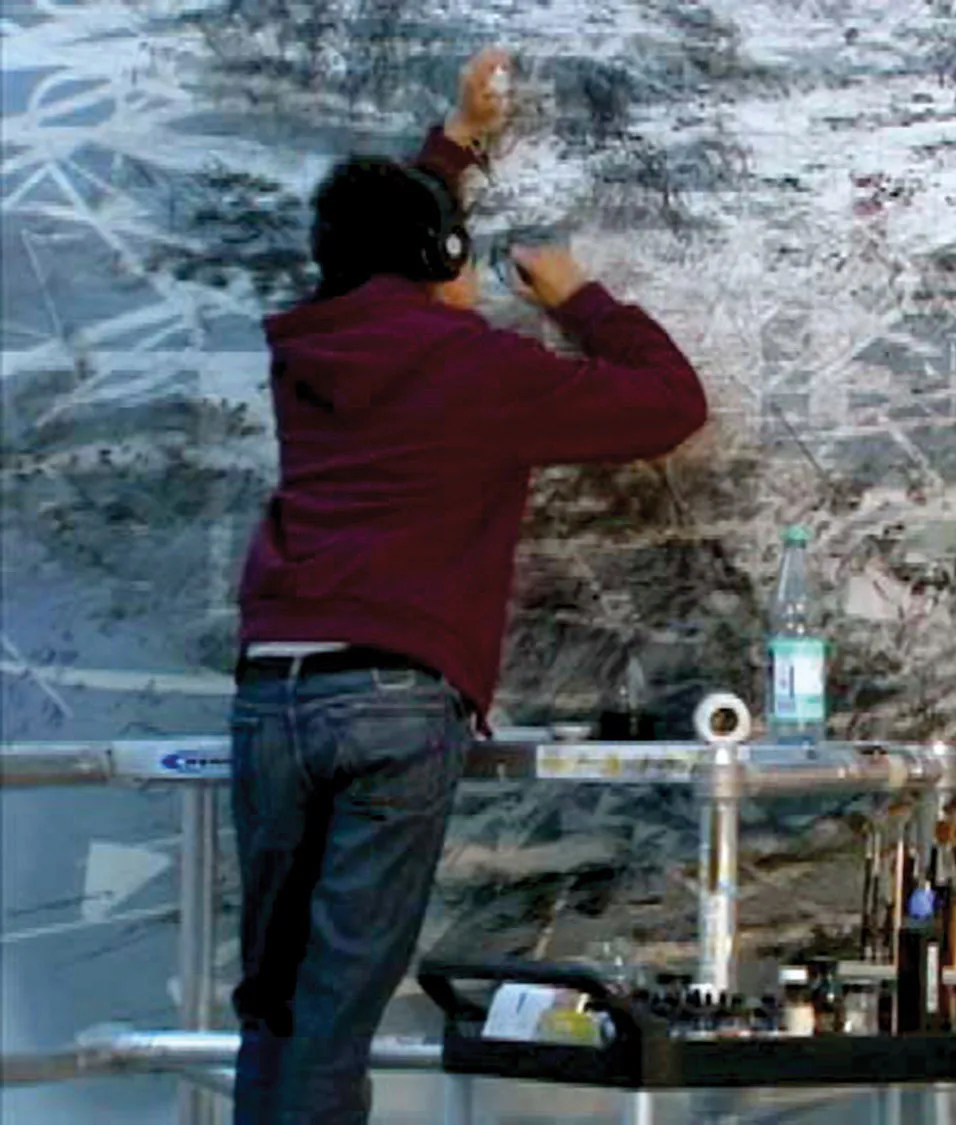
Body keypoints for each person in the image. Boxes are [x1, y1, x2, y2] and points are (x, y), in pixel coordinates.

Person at [226, 47, 708, 1124]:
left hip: (272, 692)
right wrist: (581, 298)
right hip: (392, 702)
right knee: (337, 1005)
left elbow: (377, 250)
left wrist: (454, 140)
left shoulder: (308, 347)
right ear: (443, 257)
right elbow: (670, 404)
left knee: (274, 1004)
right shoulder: (481, 370)